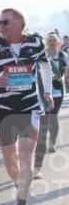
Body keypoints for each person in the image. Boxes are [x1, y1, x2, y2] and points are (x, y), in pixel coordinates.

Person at [0, 8, 54, 205]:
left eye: (5, 22)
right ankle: (21, 184)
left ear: (20, 22)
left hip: (30, 107)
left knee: (25, 155)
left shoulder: (35, 44)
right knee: (11, 163)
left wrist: (47, 91)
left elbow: (45, 67)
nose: (1, 26)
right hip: (5, 108)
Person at [34, 33, 65, 173]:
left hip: (57, 90)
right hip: (44, 89)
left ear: (57, 42)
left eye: (54, 40)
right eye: (50, 40)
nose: (52, 42)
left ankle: (52, 141)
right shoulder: (41, 54)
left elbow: (67, 70)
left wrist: (64, 79)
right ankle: (43, 140)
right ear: (46, 42)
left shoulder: (62, 55)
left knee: (53, 116)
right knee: (46, 116)